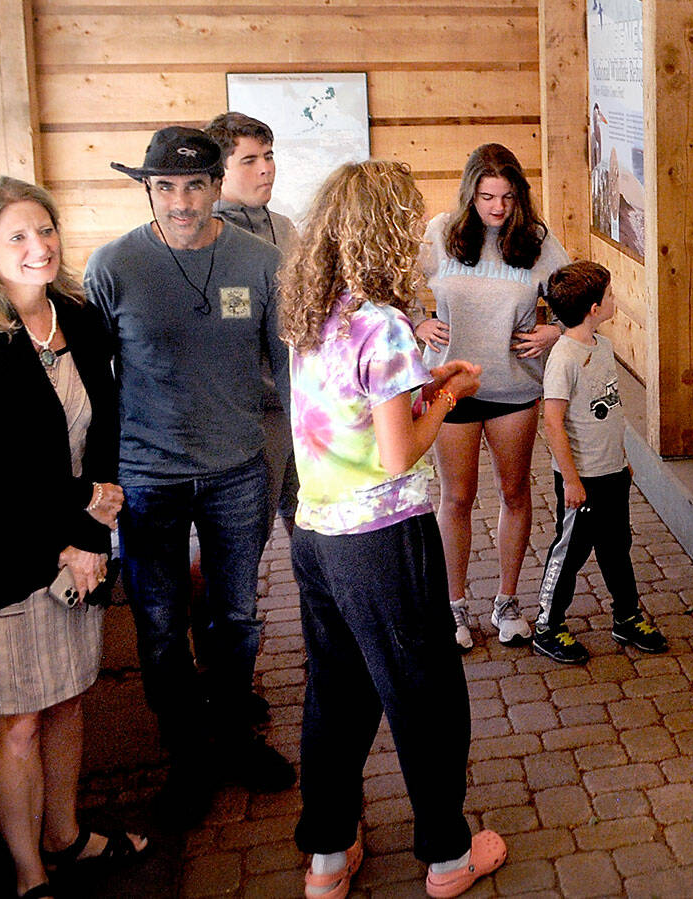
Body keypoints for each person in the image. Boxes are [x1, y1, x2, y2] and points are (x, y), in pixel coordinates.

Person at [278, 160, 504, 899]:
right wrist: (454, 393)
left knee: (335, 694)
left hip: (317, 535)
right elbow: (400, 449)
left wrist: (428, 390)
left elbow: (354, 419)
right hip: (383, 539)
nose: (416, 232)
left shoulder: (314, 311)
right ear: (387, 229)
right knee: (426, 694)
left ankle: (329, 854)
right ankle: (447, 856)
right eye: (408, 220)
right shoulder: (385, 323)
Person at [0, 179, 147, 898]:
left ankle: (66, 833)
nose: (39, 246)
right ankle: (30, 873)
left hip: (80, 544)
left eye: (46, 229)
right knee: (17, 721)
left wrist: (93, 527)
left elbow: (109, 425)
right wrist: (76, 522)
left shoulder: (79, 319)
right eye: (18, 236)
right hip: (5, 553)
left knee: (65, 700)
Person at [85, 126, 294, 828]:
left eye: (194, 185)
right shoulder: (113, 266)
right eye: (165, 187)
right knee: (161, 630)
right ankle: (187, 757)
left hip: (239, 469)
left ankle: (235, 738)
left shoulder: (261, 262)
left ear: (215, 186)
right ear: (148, 189)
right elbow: (94, 384)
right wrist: (98, 483)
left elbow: (289, 371)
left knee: (234, 620)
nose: (180, 201)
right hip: (147, 481)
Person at [413, 144, 569, 651]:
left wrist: (555, 332)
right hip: (452, 389)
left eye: (506, 197)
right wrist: (417, 320)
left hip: (514, 388)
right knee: (455, 497)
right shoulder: (440, 233)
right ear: (469, 195)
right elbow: (395, 286)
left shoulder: (539, 242)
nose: (496, 208)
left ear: (519, 197)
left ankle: (507, 601)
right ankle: (453, 605)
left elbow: (581, 297)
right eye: (485, 196)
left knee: (514, 492)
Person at [531, 260, 668, 665]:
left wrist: (622, 460)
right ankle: (548, 625)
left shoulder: (603, 348)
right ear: (594, 308)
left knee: (616, 546)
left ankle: (626, 616)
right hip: (583, 481)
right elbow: (553, 422)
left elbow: (609, 412)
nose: (614, 300)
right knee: (570, 552)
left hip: (611, 474)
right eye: (609, 295)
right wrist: (571, 481)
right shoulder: (564, 358)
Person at [206, 111, 301, 536]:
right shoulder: (208, 237)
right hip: (247, 422)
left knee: (316, 536)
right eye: (249, 160)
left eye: (269, 155)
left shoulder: (285, 228)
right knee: (244, 543)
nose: (266, 168)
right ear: (218, 172)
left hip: (302, 408)